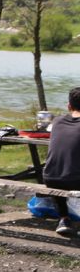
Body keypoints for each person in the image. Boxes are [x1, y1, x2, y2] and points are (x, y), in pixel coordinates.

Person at [44, 86, 80, 237]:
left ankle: (64, 219)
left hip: (50, 178)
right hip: (75, 181)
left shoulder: (57, 121)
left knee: (60, 169)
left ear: (69, 106)